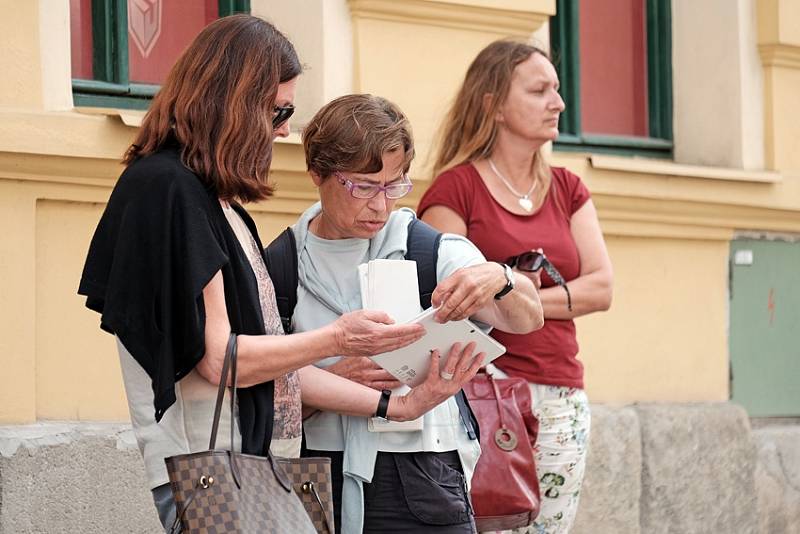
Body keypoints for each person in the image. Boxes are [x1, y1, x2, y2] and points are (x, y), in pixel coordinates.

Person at [78, 15, 481, 532]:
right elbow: (222, 361)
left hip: (262, 468)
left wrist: (398, 406)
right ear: (235, 101)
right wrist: (338, 337)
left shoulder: (209, 199)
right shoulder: (168, 189)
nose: (286, 128)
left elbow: (267, 361)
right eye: (278, 110)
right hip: (218, 471)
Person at [290, 93, 543, 534]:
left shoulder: (428, 247)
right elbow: (255, 395)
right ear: (316, 173)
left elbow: (527, 318)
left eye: (394, 186)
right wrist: (337, 381)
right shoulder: (278, 264)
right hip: (314, 474)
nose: (380, 205)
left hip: (424, 473)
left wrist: (499, 278)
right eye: (364, 186)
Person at [418, 39, 614, 534]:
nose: (558, 103)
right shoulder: (455, 190)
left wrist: (512, 293)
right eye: (539, 90)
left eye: (558, 89)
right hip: (486, 395)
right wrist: (552, 299)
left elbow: (602, 288)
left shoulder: (569, 188)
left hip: (562, 395)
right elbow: (447, 300)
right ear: (493, 105)